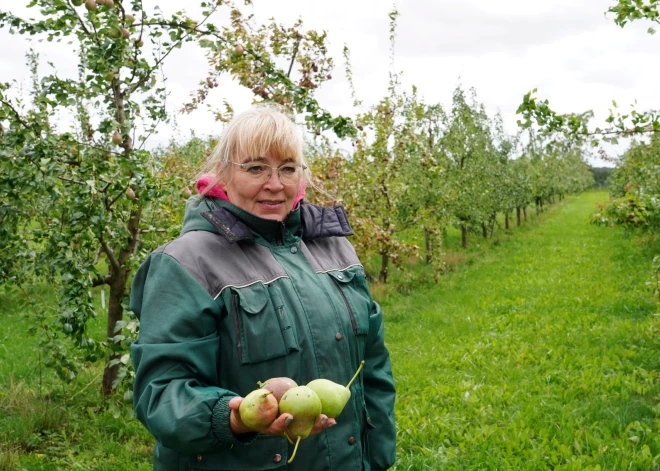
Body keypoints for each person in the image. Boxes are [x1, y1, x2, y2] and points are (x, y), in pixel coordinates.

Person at [130, 105, 396, 471]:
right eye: (255, 168)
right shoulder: (187, 263)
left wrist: (377, 458)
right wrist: (234, 418)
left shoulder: (335, 248)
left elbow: (373, 364)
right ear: (223, 173)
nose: (275, 184)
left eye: (287, 168)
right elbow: (160, 392)